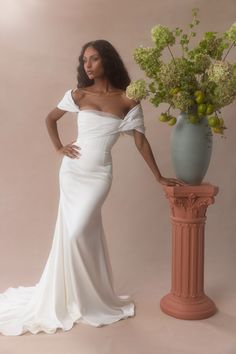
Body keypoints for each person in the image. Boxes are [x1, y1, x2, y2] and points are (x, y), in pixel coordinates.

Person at [0, 39, 184, 336]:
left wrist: (158, 176)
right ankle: (76, 296)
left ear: (107, 61)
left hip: (99, 175)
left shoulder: (127, 100)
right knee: (76, 233)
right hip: (72, 172)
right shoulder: (78, 94)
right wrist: (59, 148)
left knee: (78, 231)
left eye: (94, 59)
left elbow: (140, 140)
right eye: (84, 59)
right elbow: (50, 119)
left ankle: (91, 296)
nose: (87, 65)